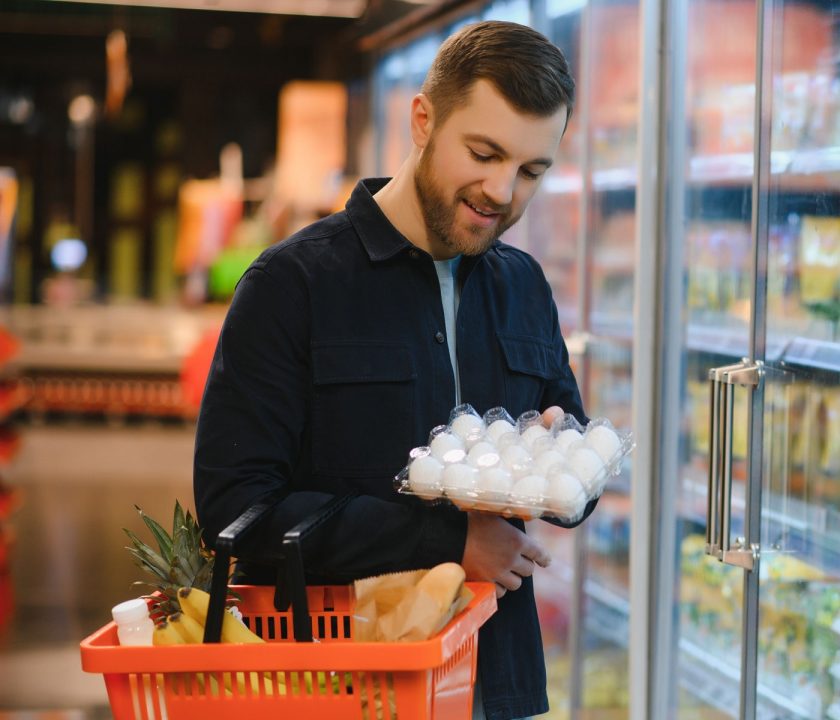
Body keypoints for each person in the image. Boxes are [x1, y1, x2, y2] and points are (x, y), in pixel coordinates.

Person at [194, 20, 598, 720]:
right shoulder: (293, 285)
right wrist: (450, 542)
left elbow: (571, 450)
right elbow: (235, 507)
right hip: (343, 689)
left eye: (532, 170)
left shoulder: (525, 285)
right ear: (422, 120)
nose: (503, 191)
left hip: (495, 685)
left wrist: (566, 463)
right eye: (484, 152)